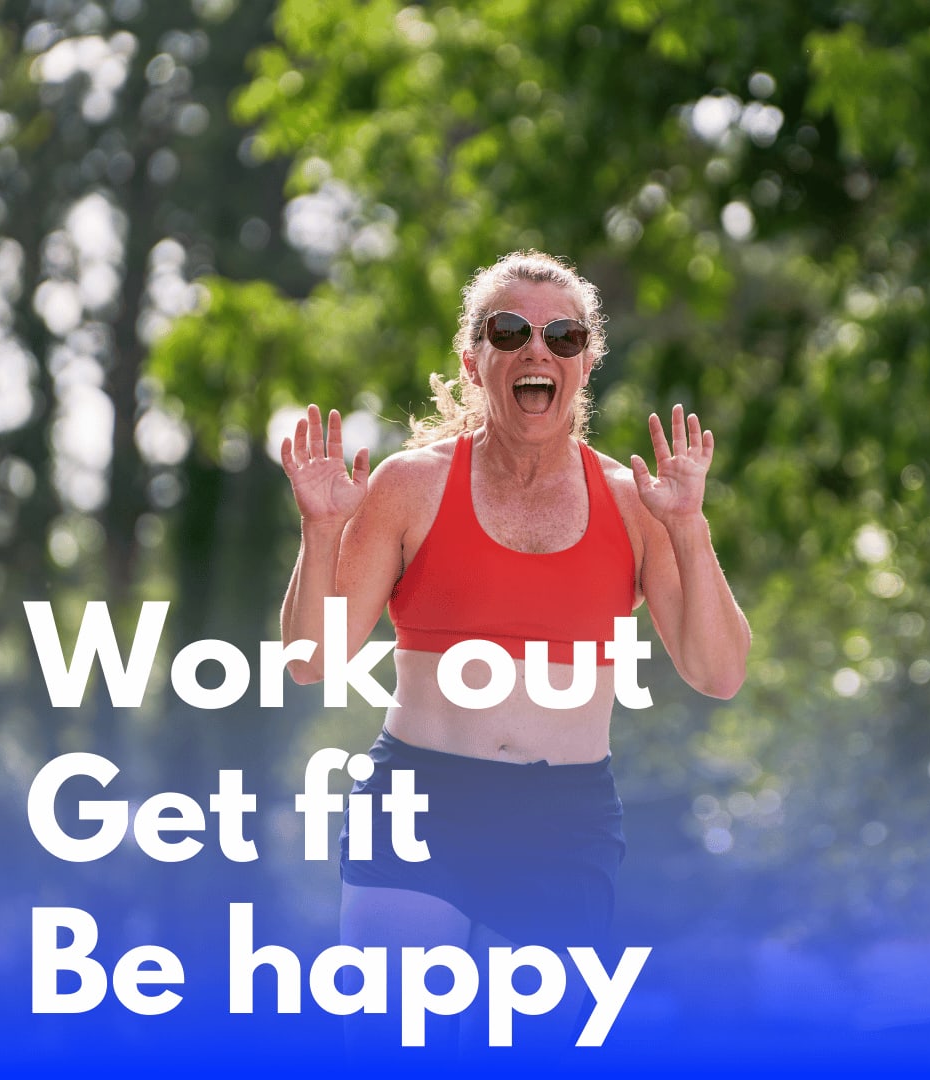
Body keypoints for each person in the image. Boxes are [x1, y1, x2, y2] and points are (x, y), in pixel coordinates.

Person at [279, 250, 751, 1051]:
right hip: (419, 798)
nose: (539, 351)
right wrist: (322, 531)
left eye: (564, 337)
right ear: (475, 361)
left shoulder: (638, 503)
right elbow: (311, 660)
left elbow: (719, 672)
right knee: (397, 1043)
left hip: (561, 817)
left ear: (586, 362)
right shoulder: (410, 485)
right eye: (512, 331)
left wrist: (689, 529)